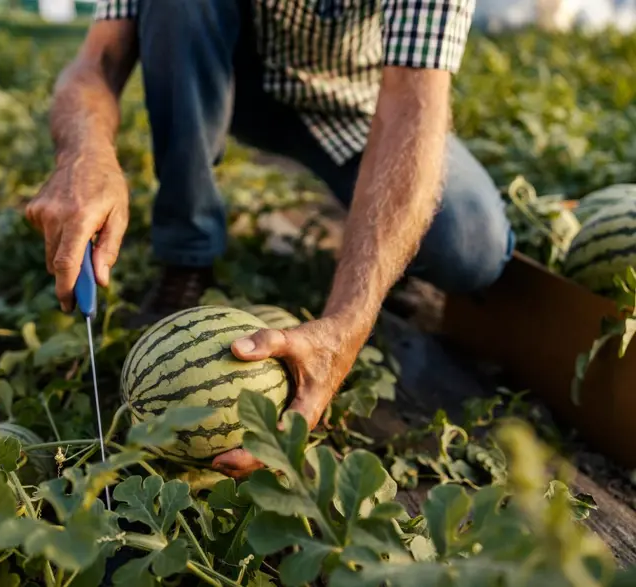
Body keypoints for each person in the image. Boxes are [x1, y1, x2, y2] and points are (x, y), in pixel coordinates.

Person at [25, 0, 515, 479]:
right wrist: (82, 155)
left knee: (470, 245)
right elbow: (98, 60)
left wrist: (348, 319)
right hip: (231, 81)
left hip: (356, 102)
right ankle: (186, 259)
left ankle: (379, 251)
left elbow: (412, 104)